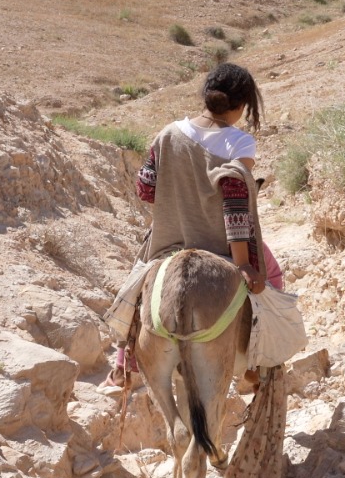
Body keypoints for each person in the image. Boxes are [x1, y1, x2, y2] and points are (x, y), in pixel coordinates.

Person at [106, 63, 283, 382]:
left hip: (168, 241)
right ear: (241, 106)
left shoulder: (167, 133)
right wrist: (243, 264)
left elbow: (145, 188)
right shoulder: (239, 144)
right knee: (273, 276)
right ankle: (260, 364)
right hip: (222, 246)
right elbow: (234, 204)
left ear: (206, 96)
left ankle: (124, 360)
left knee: (134, 286)